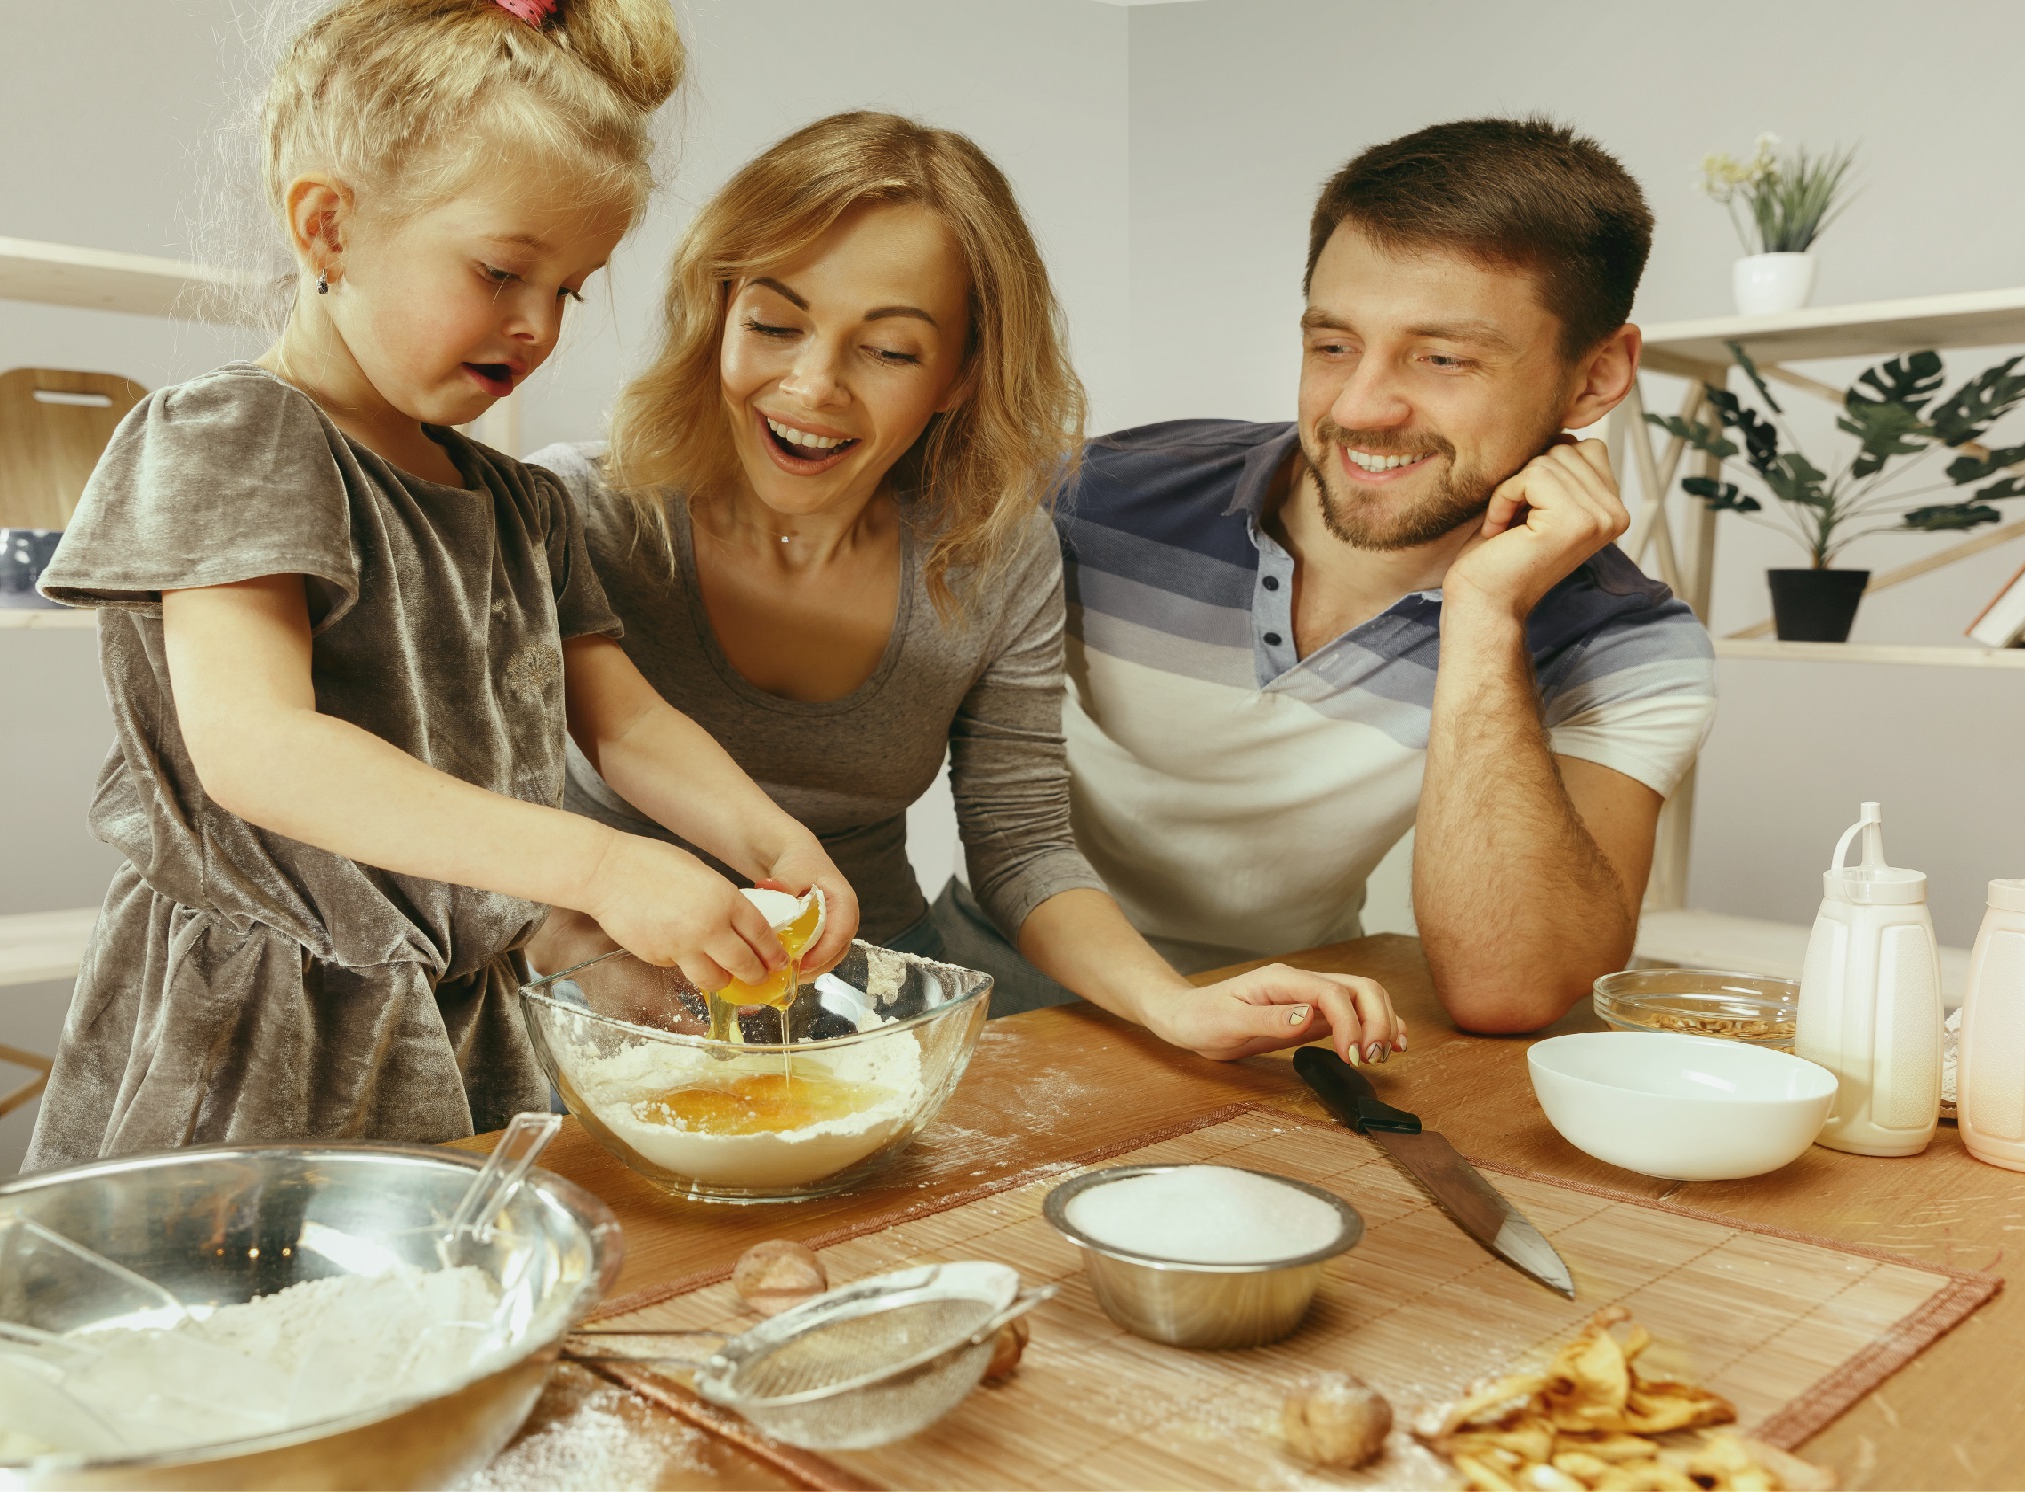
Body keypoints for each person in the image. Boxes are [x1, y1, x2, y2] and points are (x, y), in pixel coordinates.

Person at [23, 0, 857, 1170]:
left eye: (569, 289)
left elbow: (627, 725)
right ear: (329, 228)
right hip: (258, 1031)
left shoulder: (525, 505)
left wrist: (773, 846)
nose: (537, 324)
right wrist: (605, 865)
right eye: (502, 270)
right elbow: (259, 747)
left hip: (460, 1020)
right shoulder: (237, 436)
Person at [531, 112, 1404, 1067]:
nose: (813, 385)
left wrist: (1175, 1005)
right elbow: (452, 814)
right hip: (593, 1003)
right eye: (775, 325)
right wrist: (563, 941)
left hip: (863, 1015)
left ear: (959, 374)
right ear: (716, 314)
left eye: (891, 350)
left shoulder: (993, 554)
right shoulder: (574, 513)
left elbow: (1023, 848)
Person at [1025, 117, 1717, 1035]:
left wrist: (1482, 615)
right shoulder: (1093, 500)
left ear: (1595, 378)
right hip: (1005, 996)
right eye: (1333, 345)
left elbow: (1515, 990)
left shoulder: (1626, 643)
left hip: (1296, 1020)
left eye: (1442, 358)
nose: (1359, 408)